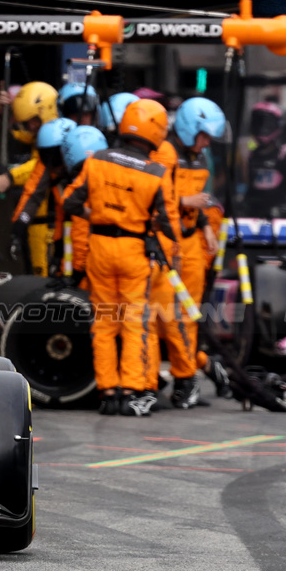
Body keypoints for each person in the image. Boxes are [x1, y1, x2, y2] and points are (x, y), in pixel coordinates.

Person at [62, 98, 175, 417]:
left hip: (99, 246)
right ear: (156, 132)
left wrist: (95, 214)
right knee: (134, 322)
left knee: (104, 322)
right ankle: (133, 390)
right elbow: (167, 222)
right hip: (133, 251)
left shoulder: (97, 160)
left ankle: (108, 392)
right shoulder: (156, 172)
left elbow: (69, 201)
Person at [145, 96, 227, 410]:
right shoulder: (166, 154)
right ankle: (181, 375)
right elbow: (158, 197)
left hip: (191, 243)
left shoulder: (200, 157)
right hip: (168, 244)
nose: (206, 142)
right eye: (204, 135)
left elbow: (200, 201)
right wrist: (185, 203)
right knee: (166, 316)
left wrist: (205, 223)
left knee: (188, 318)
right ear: (190, 128)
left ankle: (185, 380)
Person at [11, 117, 76, 275]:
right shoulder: (47, 164)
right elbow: (33, 192)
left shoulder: (91, 162)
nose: (52, 161)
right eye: (47, 155)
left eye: (55, 155)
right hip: (65, 226)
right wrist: (20, 222)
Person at [57, 125, 106, 285]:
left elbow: (80, 233)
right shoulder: (111, 178)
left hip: (87, 272)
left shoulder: (80, 190)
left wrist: (77, 271)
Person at [242, 101, 286, 219]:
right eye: (258, 122)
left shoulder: (285, 155)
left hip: (281, 219)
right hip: (255, 217)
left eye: (266, 123)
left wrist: (283, 208)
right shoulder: (253, 156)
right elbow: (251, 188)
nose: (261, 127)